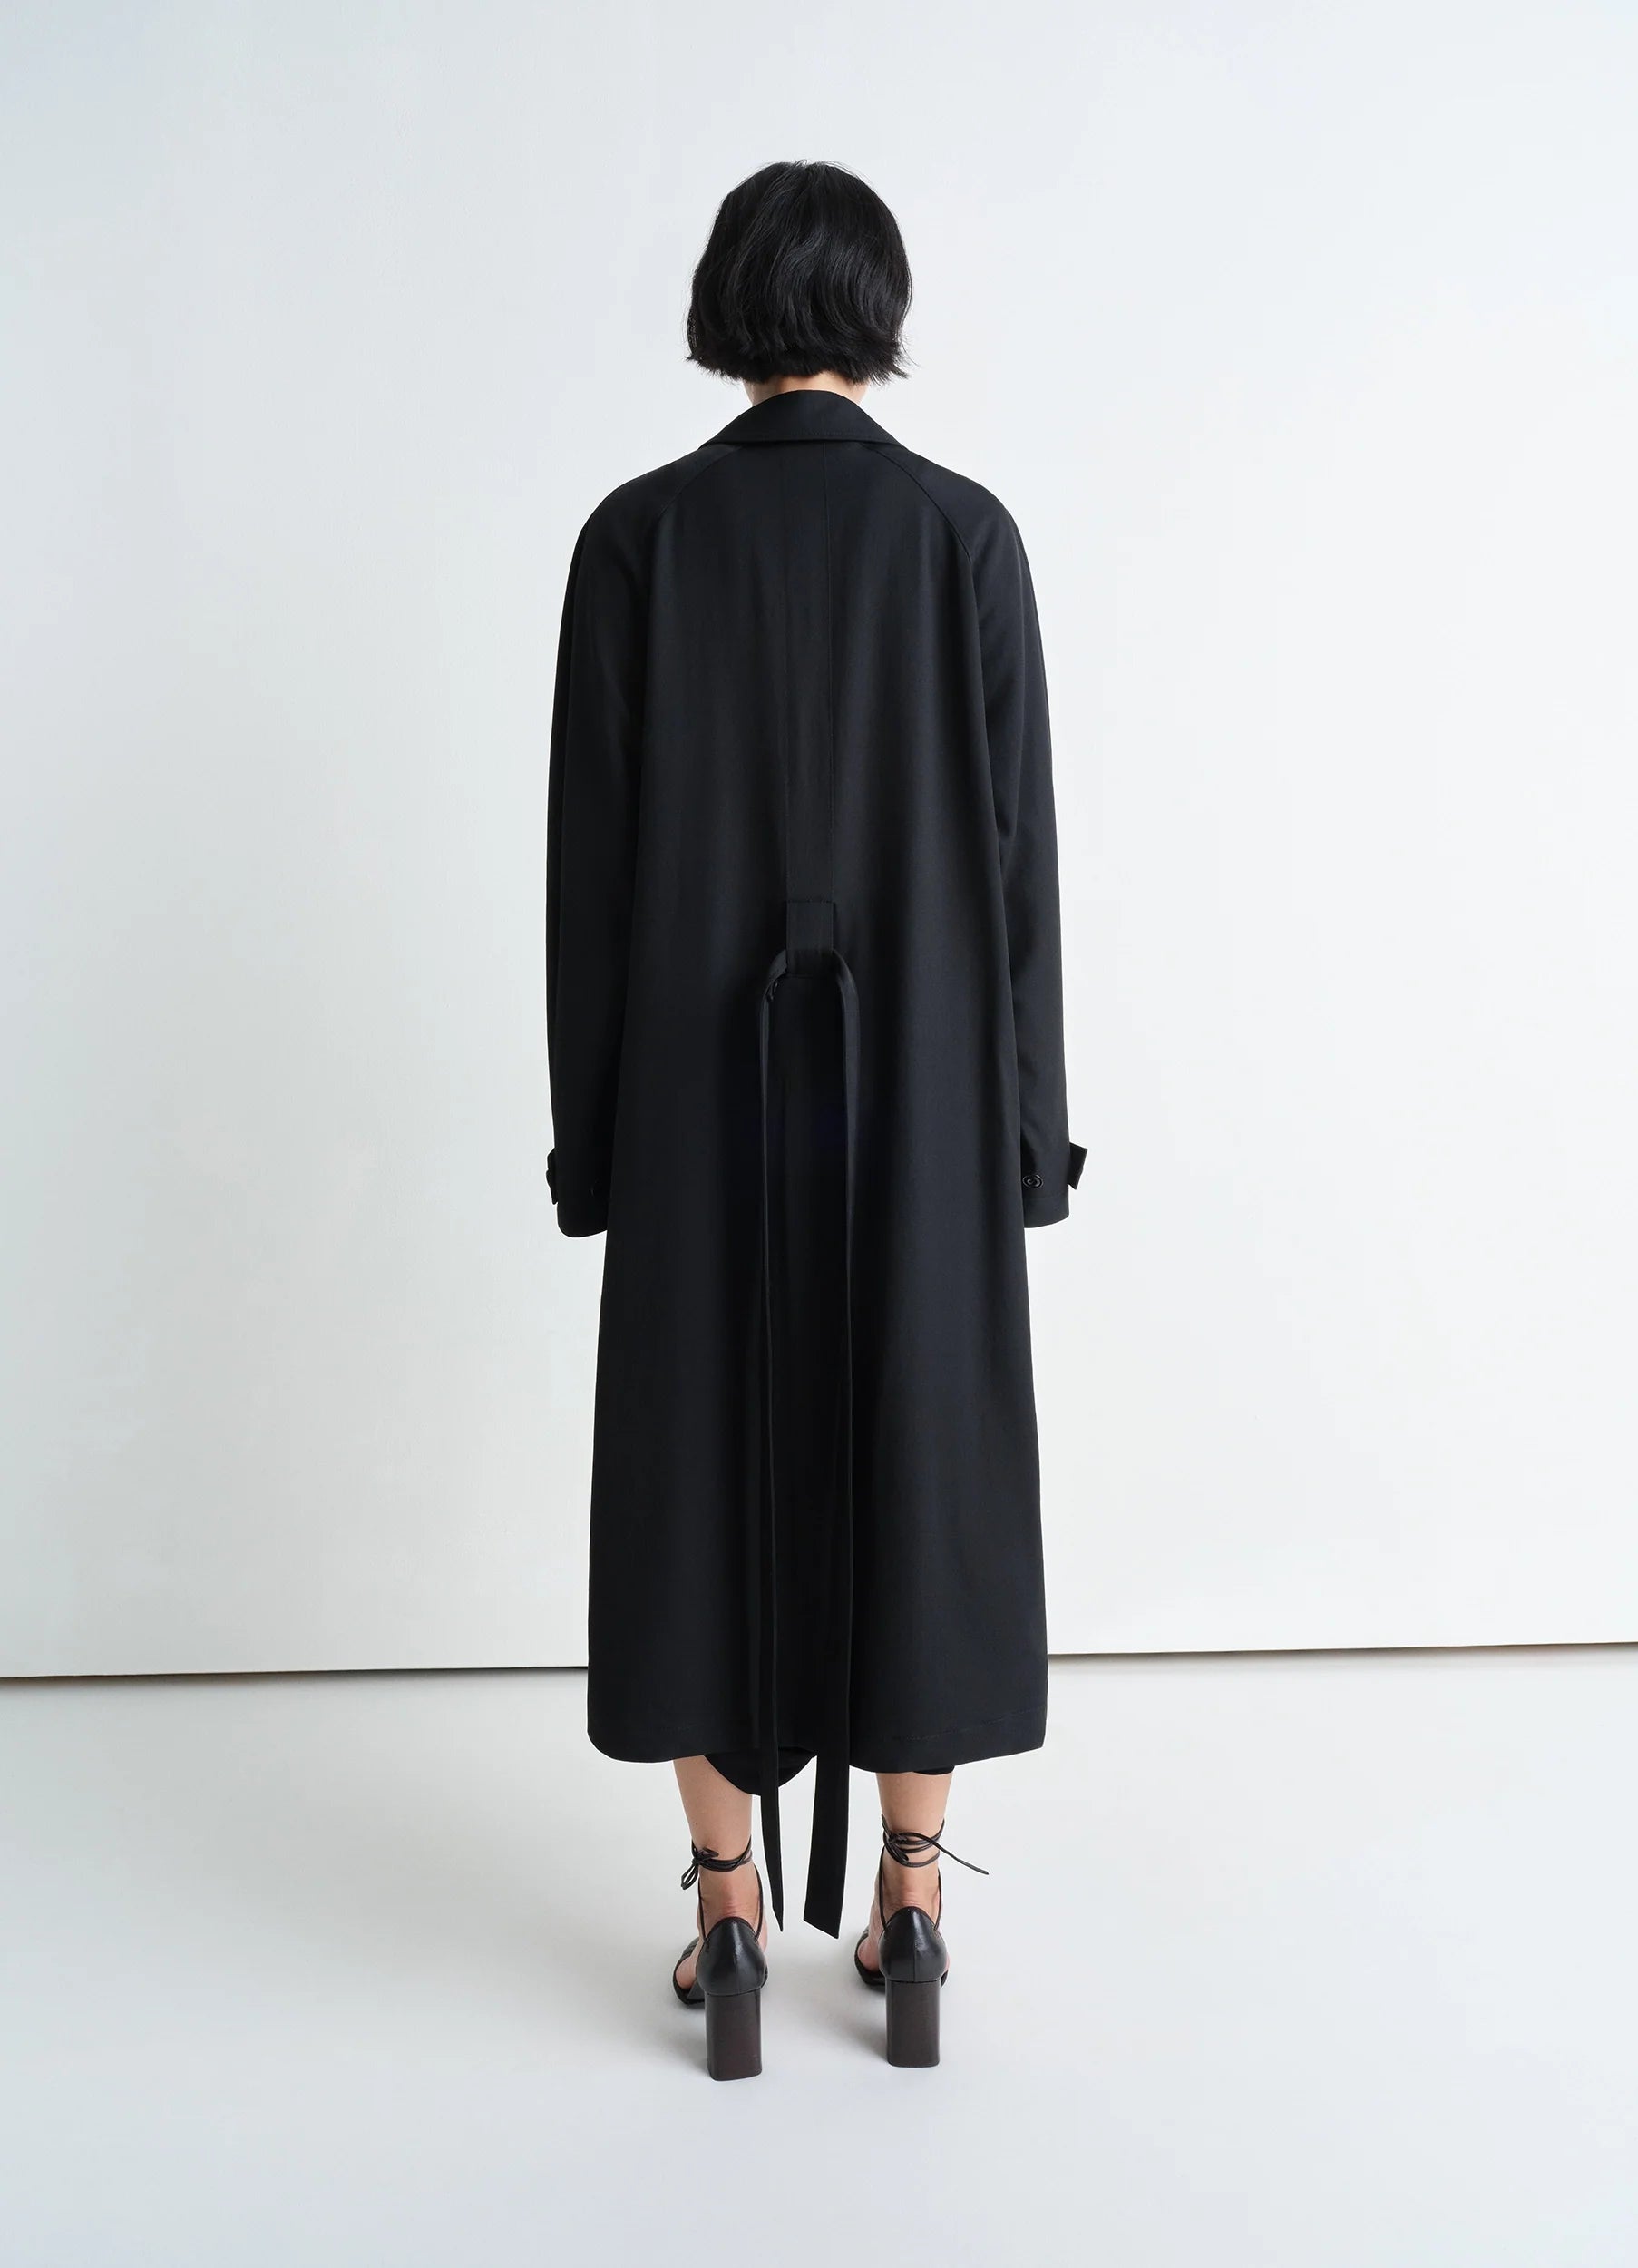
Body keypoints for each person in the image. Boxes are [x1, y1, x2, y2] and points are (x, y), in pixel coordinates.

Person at [545, 160, 1084, 2079]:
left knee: (700, 1461)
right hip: (921, 1093)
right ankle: (912, 1898)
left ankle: (727, 1912)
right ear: (879, 308)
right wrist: (1025, 1135)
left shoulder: (638, 540)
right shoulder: (964, 539)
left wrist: (596, 1147)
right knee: (917, 1449)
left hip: (700, 1105)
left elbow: (590, 879)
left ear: (726, 305)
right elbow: (1016, 875)